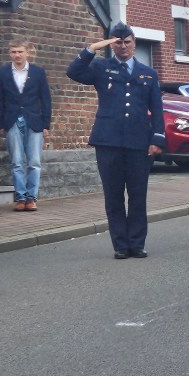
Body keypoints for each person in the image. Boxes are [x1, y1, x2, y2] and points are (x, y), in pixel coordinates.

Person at [67, 23, 164, 259]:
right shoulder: (101, 67)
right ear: (112, 45)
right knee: (113, 196)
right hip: (108, 141)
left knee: (138, 195)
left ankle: (137, 244)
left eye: (127, 42)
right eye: (118, 42)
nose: (123, 47)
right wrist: (91, 49)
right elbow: (74, 72)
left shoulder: (148, 73)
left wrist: (157, 139)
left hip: (139, 143)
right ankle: (121, 245)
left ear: (135, 44)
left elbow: (157, 110)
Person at [0, 39, 51, 211]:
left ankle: (31, 197)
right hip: (12, 120)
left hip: (34, 121)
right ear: (9, 53)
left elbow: (45, 100)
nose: (17, 55)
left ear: (27, 52)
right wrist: (2, 123)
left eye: (20, 51)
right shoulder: (3, 73)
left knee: (34, 161)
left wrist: (46, 124)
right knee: (17, 161)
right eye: (14, 52)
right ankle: (20, 197)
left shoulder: (38, 73)